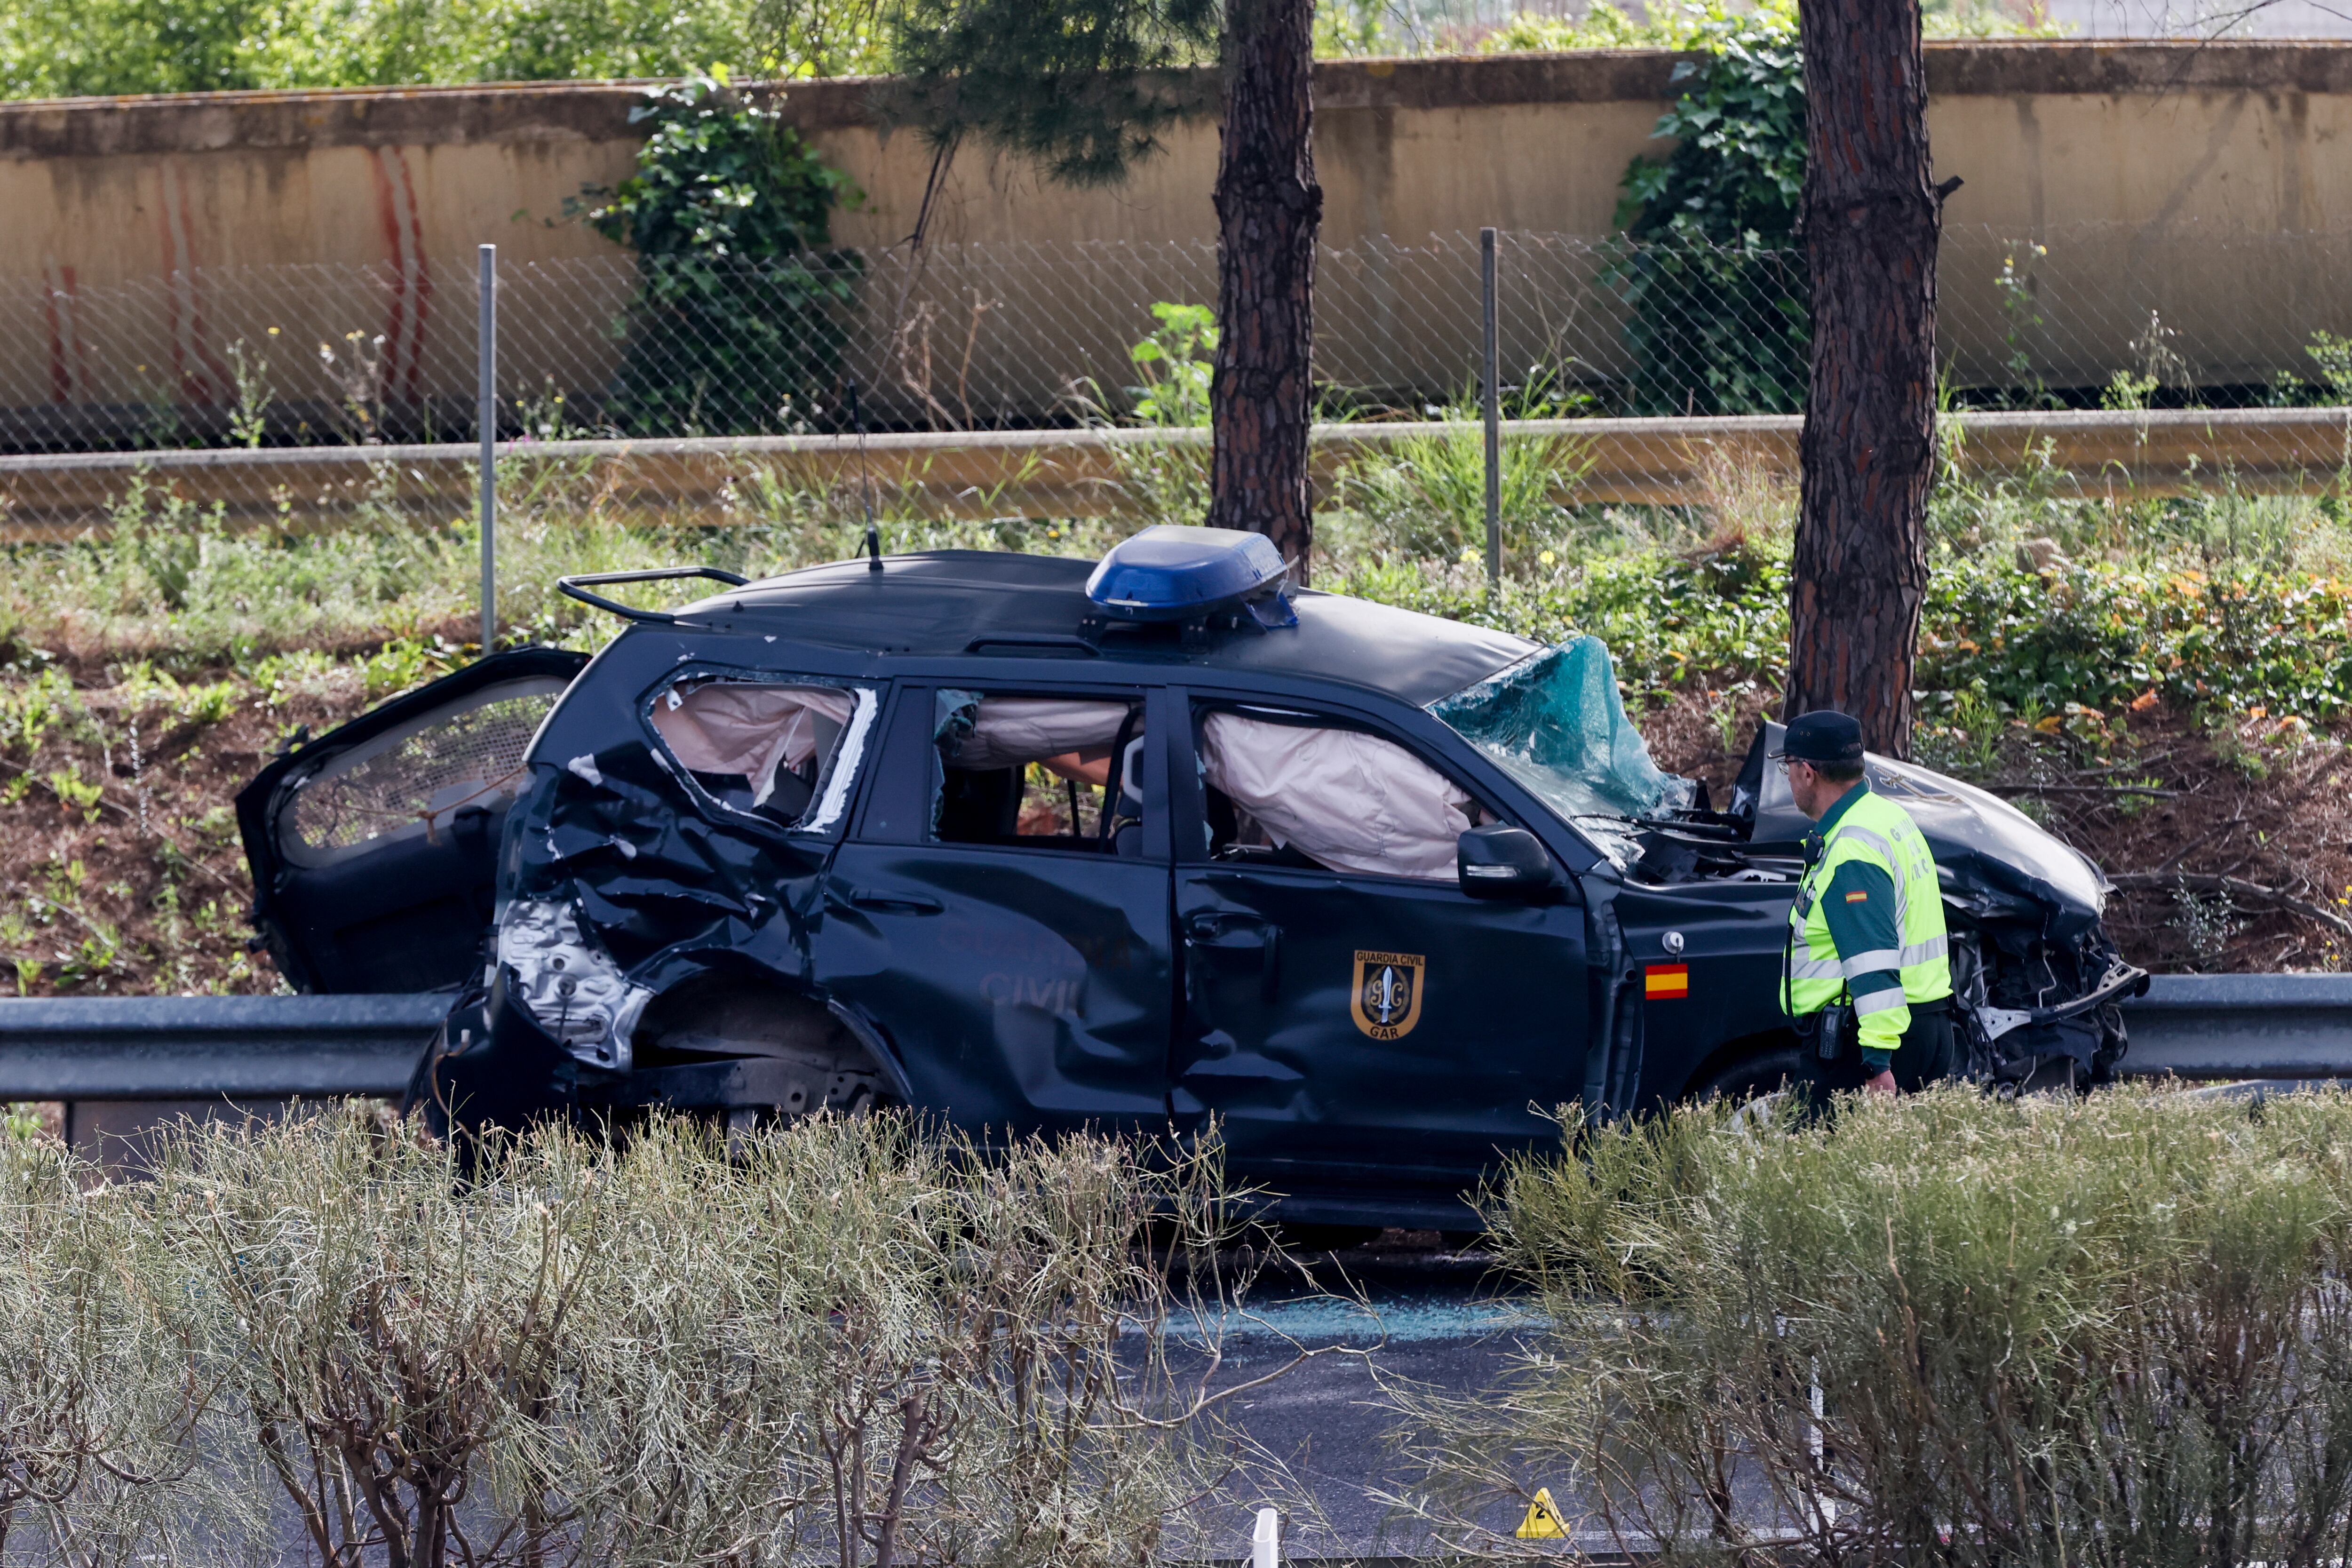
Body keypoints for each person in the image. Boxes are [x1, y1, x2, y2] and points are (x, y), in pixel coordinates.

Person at [1775, 710, 1955, 1100]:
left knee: (1812, 1140)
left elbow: (1872, 958)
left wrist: (1876, 1060)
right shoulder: (1887, 817)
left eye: (1787, 766)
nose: (1788, 778)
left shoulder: (1852, 846)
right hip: (1926, 1024)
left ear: (1808, 772)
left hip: (1869, 1041)